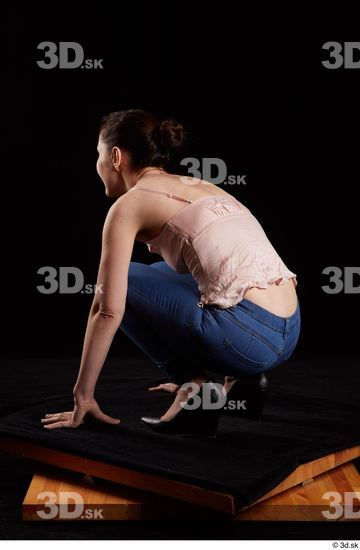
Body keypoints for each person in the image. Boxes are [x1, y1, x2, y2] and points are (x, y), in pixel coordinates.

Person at [41, 109, 300, 436]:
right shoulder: (199, 184)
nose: (98, 164)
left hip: (249, 341)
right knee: (166, 272)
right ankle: (243, 384)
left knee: (125, 281)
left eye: (98, 154)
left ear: (116, 156)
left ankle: (192, 386)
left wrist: (83, 397)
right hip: (289, 329)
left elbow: (107, 310)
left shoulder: (130, 204)